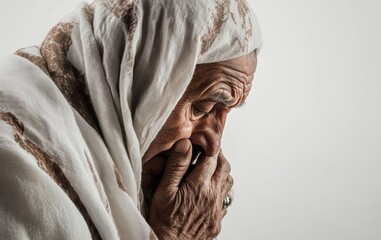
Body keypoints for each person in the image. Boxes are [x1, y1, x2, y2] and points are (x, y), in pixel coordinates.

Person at [0, 0, 262, 239]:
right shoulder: (13, 155)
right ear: (138, 81)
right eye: (203, 108)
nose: (212, 145)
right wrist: (175, 234)